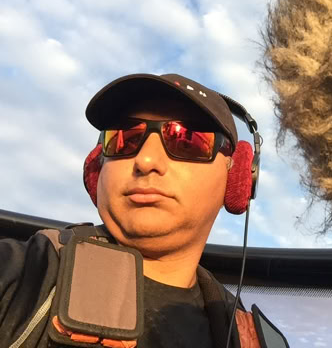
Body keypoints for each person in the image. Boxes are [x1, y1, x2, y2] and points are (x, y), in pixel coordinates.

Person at [0, 73, 287, 348]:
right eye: (125, 138)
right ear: (97, 170)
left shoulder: (247, 335)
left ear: (236, 176)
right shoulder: (27, 273)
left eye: (186, 139)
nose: (146, 160)